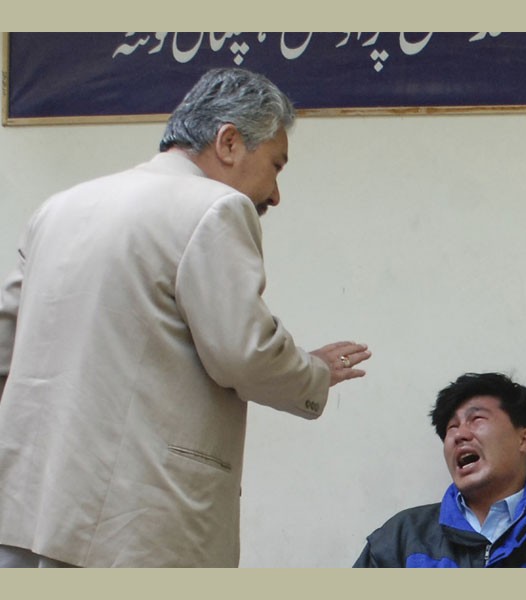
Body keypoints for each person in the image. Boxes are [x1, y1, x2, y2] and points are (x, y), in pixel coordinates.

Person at [0, 68, 371, 568]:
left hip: (27, 515)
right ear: (229, 142)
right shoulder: (215, 207)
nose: (276, 194)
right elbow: (244, 355)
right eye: (276, 165)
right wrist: (314, 373)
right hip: (136, 529)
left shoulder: (59, 208)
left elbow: (7, 342)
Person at [353, 372, 526, 568]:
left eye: (477, 419)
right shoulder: (402, 538)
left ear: (523, 440)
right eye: (452, 427)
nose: (459, 434)